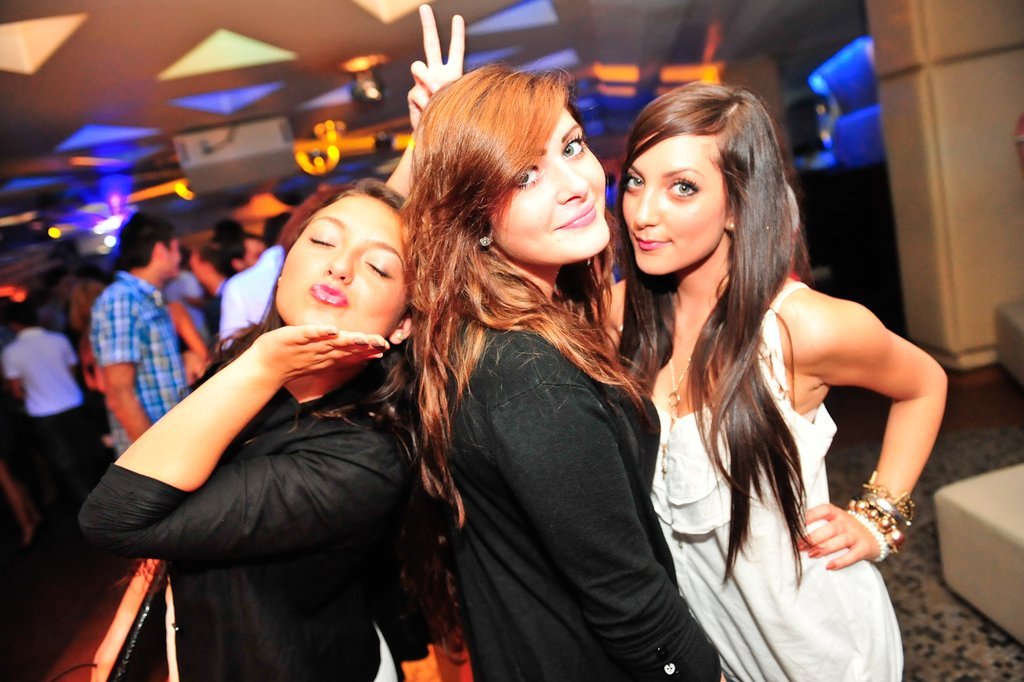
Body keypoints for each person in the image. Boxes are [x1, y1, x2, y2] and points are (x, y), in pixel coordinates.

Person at [615, 82, 948, 681]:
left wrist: (878, 519)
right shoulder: (624, 312)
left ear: (738, 204)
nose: (643, 213)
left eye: (682, 187)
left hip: (819, 650)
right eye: (636, 181)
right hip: (711, 653)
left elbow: (925, 383)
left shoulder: (801, 326)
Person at [401, 61, 721, 681]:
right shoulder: (527, 375)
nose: (577, 184)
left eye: (571, 146)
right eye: (525, 175)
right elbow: (628, 600)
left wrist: (457, 133)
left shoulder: (483, 327)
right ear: (473, 217)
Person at [80, 180, 417, 681]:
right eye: (322, 240)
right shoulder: (239, 367)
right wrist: (127, 621)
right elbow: (171, 495)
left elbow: (115, 518)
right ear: (283, 268)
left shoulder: (364, 455)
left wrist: (264, 364)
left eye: (378, 267)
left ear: (403, 325)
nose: (340, 266)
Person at [90, 212, 189, 457]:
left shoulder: (147, 298)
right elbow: (119, 393)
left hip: (173, 440)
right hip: (156, 452)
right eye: (176, 248)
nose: (179, 257)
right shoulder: (122, 299)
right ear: (160, 250)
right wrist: (153, 458)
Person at [2, 301, 102, 504]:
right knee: (87, 456)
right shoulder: (59, 339)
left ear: (13, 324)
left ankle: (89, 505)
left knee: (66, 464)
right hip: (73, 402)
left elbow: (16, 391)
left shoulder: (11, 352)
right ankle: (103, 497)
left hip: (43, 412)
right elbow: (72, 372)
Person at [218, 212, 291, 340]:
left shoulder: (237, 286)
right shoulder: (238, 286)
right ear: (237, 263)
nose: (263, 261)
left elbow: (229, 342)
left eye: (263, 253)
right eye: (258, 256)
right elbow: (231, 339)